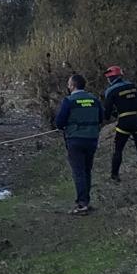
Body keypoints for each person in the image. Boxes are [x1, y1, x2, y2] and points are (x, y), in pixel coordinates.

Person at [54, 73, 104, 215]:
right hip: (92, 139)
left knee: (78, 172)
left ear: (73, 85)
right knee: (87, 171)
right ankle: (86, 201)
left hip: (75, 139)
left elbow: (59, 122)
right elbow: (102, 117)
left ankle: (82, 204)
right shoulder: (94, 100)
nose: (68, 86)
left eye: (69, 84)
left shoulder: (69, 101)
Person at [101, 66, 137, 183]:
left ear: (110, 78)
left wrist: (107, 116)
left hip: (125, 120)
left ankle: (114, 175)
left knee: (118, 149)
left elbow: (107, 113)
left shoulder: (111, 91)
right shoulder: (132, 86)